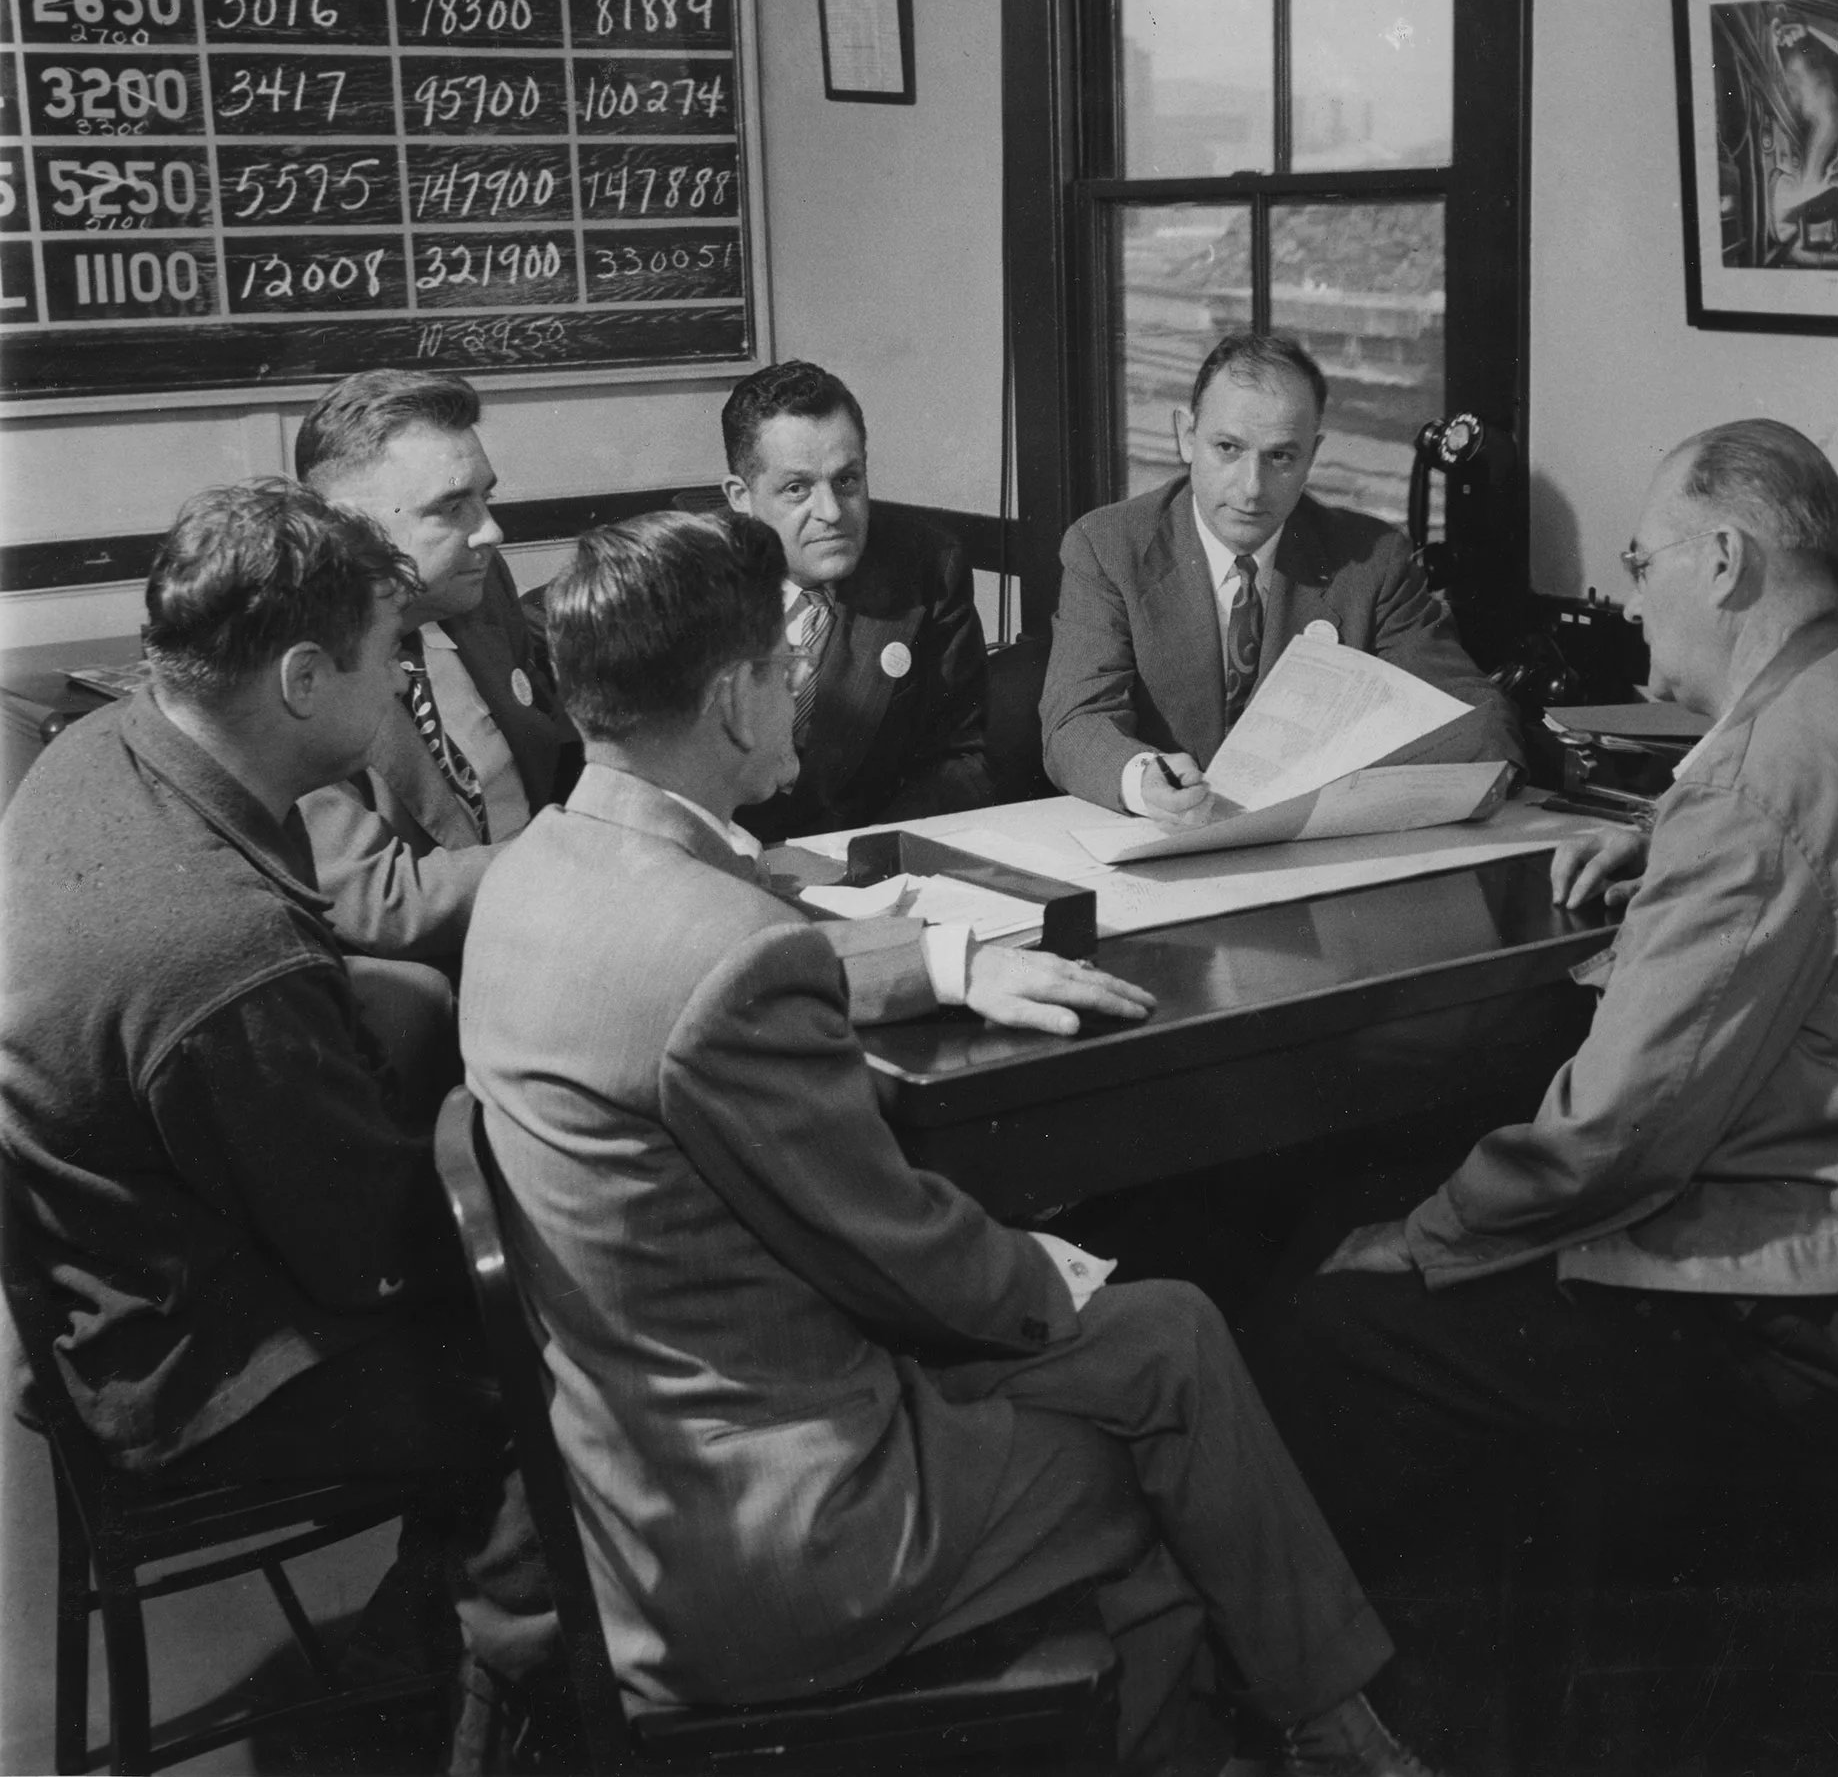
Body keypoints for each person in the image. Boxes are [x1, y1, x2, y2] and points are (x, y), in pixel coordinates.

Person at [457, 508, 1446, 1777]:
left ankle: (1318, 1726)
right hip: (788, 1541)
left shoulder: (538, 871)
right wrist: (1059, 1270)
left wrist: (944, 970)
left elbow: (743, 964)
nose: (796, 688)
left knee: (1171, 1341)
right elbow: (899, 1251)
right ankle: (1317, 1732)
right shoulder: (722, 958)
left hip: (639, 1471)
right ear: (726, 701)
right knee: (1168, 1399)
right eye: (778, 665)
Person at [1249, 419, 1838, 1550]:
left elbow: (1607, 1136)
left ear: (1723, 562)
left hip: (1805, 1305)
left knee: (1327, 1312)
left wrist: (1424, 1236)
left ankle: (1356, 1696)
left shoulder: (1752, 797)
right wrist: (1671, 833)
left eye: (1642, 562)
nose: (1632, 599)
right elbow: (1824, 849)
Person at [0, 481, 552, 1766]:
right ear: (303, 678)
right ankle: (494, 1703)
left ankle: (425, 1645)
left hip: (99, 1262)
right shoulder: (222, 952)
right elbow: (374, 1252)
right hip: (181, 1364)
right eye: (389, 651)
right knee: (560, 1356)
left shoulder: (104, 747)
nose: (405, 676)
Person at [1039, 332, 1522, 824]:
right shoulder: (1106, 547)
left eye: (1281, 457)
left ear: (1312, 455)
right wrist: (1140, 778)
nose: (1252, 489)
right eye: (1228, 448)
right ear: (1187, 437)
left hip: (1313, 847)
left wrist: (1475, 768)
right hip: (1163, 843)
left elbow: (1475, 716)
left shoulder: (1372, 561)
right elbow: (1075, 723)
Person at [295, 368, 580, 965]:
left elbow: (553, 753)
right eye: (452, 507)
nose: (492, 532)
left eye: (486, 497)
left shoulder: (475, 586)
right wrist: (586, 854)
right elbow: (381, 901)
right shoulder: (299, 667)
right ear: (349, 528)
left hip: (557, 930)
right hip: (439, 981)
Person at [722, 359, 993, 842]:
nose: (831, 513)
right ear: (742, 496)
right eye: (796, 488)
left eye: (846, 481)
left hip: (864, 866)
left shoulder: (926, 566)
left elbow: (962, 759)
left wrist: (866, 857)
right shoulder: (689, 567)